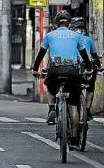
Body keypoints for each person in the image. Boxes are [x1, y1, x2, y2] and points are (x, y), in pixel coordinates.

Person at [32, 10, 93, 149]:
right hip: (71, 70)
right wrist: (89, 68)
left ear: (55, 23)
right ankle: (74, 138)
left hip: (55, 69)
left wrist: (35, 69)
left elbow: (41, 55)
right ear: (69, 23)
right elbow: (84, 55)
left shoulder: (49, 35)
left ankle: (52, 109)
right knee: (73, 106)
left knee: (49, 87)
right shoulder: (76, 36)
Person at [70, 17, 101, 120]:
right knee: (90, 87)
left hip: (72, 68)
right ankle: (87, 109)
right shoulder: (88, 40)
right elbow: (95, 56)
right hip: (86, 70)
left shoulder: (69, 39)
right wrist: (99, 66)